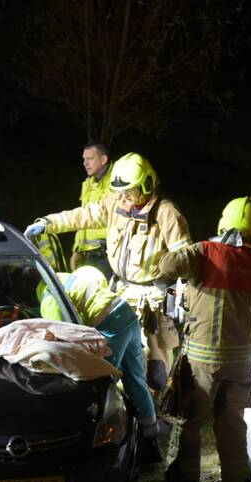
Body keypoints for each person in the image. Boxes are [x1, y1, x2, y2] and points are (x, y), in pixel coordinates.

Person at [26, 153, 192, 391]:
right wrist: (48, 223)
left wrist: (182, 298)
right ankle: (123, 406)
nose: (124, 197)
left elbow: (185, 259)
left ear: (146, 184)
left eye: (129, 191)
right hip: (122, 294)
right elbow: (82, 216)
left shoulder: (166, 213)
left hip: (152, 302)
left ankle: (155, 409)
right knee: (121, 362)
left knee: (155, 370)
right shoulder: (116, 204)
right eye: (120, 191)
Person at [152, 197, 251, 482]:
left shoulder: (206, 252)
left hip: (203, 361)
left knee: (188, 422)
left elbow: (167, 265)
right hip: (241, 362)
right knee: (233, 426)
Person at [40, 266, 161, 462]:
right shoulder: (60, 276)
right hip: (126, 315)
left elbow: (59, 339)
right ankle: (151, 442)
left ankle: (108, 448)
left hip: (110, 326)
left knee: (101, 384)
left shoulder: (48, 297)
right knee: (136, 380)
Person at [69, 142, 113, 277]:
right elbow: (83, 218)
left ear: (103, 159)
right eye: (84, 159)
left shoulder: (117, 182)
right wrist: (77, 249)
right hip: (87, 256)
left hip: (108, 256)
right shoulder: (88, 184)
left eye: (90, 159)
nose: (85, 163)